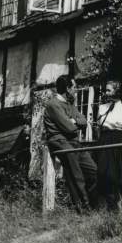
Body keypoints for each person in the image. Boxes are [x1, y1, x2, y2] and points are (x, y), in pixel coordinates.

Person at [43, 75, 97, 212]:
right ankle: (83, 206)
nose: (76, 90)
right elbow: (69, 127)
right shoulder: (52, 105)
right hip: (59, 141)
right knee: (75, 171)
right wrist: (73, 122)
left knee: (93, 170)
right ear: (67, 88)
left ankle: (90, 200)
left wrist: (73, 121)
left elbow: (84, 121)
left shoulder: (69, 104)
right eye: (74, 87)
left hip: (73, 141)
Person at [95, 81, 122, 211]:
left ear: (117, 91)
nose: (106, 93)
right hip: (104, 140)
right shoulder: (102, 108)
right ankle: (102, 208)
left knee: (114, 174)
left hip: (117, 142)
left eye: (109, 90)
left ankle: (114, 208)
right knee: (101, 172)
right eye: (106, 90)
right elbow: (99, 127)